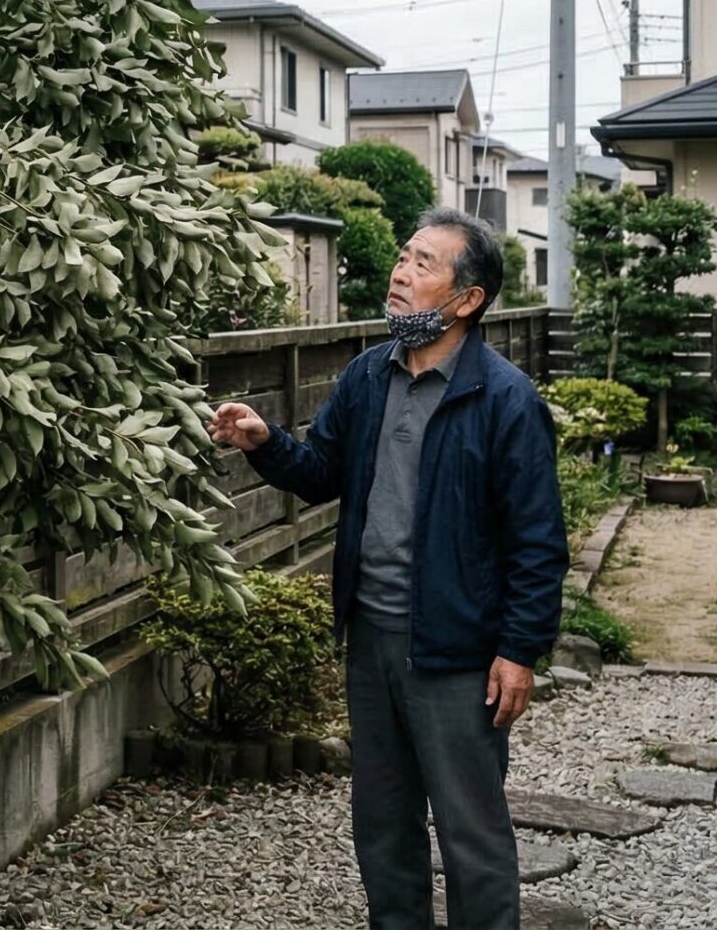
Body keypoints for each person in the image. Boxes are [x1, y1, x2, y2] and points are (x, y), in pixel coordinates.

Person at [207, 207, 565, 930]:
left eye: (423, 263)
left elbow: (537, 540)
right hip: (371, 637)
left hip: (459, 652)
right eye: (403, 257)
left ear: (467, 299)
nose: (400, 273)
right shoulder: (369, 374)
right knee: (383, 822)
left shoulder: (505, 399)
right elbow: (322, 471)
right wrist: (265, 441)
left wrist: (519, 649)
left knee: (471, 832)